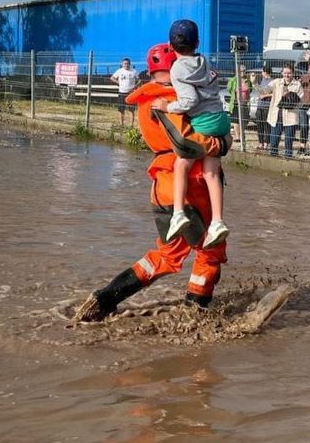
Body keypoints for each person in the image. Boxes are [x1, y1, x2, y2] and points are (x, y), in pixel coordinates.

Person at [73, 43, 230, 322]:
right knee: (210, 249)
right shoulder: (171, 101)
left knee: (167, 256)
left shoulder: (146, 101)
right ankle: (196, 315)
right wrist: (220, 143)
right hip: (191, 188)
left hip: (161, 189)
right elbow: (187, 142)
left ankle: (104, 298)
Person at [153, 19, 231, 248]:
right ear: (197, 43)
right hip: (220, 120)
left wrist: (167, 106)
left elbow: (189, 100)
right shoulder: (202, 61)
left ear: (170, 44)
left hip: (204, 123)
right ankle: (217, 222)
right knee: (211, 174)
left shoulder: (177, 68)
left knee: (181, 165)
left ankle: (178, 213)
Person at [265, 64, 303, 158]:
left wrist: (291, 100)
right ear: (282, 73)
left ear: (293, 73)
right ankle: (273, 158)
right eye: (285, 73)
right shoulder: (277, 82)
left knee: (289, 141)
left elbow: (301, 101)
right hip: (276, 116)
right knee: (273, 140)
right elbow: (264, 90)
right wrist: (254, 84)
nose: (287, 75)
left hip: (290, 117)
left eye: (289, 73)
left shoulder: (297, 84)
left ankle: (288, 159)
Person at [110, 57, 140, 125]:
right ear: (122, 64)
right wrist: (118, 82)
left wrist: (135, 86)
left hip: (130, 93)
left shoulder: (134, 71)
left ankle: (131, 125)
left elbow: (139, 80)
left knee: (131, 110)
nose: (126, 65)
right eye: (125, 63)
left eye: (127, 63)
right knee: (121, 110)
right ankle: (121, 124)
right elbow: (112, 78)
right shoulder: (119, 71)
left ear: (130, 64)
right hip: (122, 92)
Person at [226, 63, 251, 143]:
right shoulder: (233, 80)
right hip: (236, 103)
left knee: (243, 120)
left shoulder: (248, 80)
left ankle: (242, 134)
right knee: (236, 120)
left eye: (244, 71)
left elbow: (250, 90)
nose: (243, 73)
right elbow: (229, 89)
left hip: (244, 103)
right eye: (241, 71)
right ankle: (237, 136)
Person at [253, 66, 274, 148]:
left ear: (265, 72)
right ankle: (260, 142)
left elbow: (273, 93)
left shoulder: (272, 81)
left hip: (267, 106)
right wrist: (254, 84)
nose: (261, 73)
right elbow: (260, 91)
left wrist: (265, 95)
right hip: (260, 105)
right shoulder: (262, 80)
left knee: (266, 125)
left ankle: (266, 142)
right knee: (259, 125)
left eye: (262, 71)